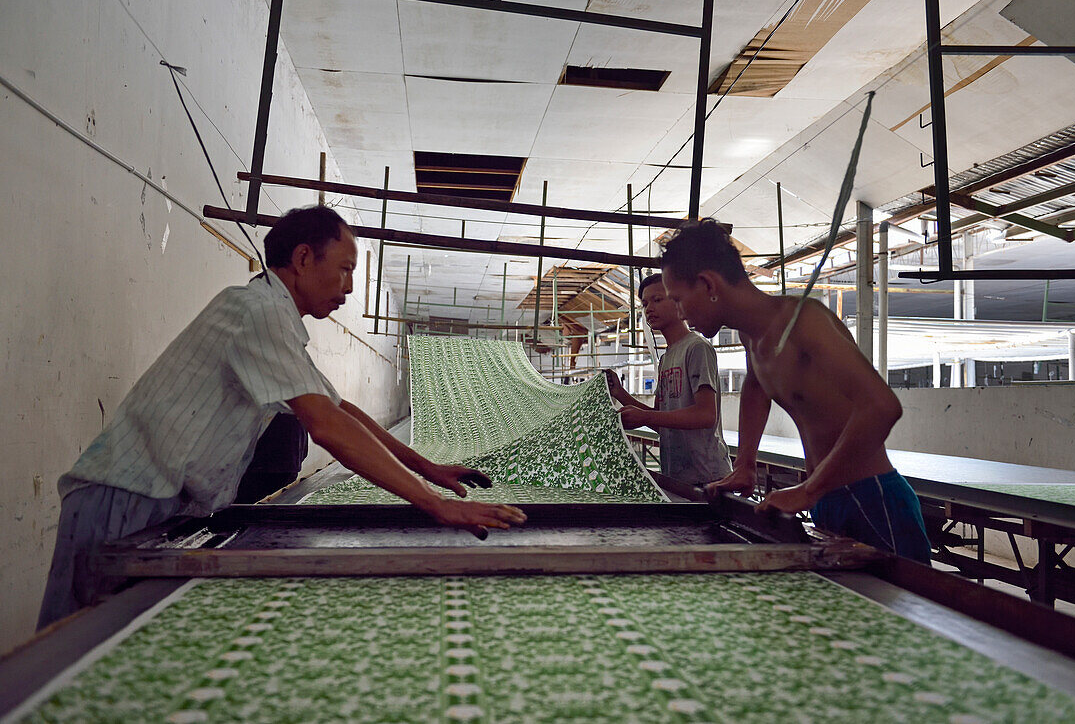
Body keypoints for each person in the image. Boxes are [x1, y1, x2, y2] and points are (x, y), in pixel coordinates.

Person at [38, 206, 526, 629]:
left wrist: (429, 469)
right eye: (344, 270)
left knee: (114, 649)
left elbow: (341, 411)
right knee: (71, 653)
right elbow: (327, 427)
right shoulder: (260, 311)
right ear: (303, 259)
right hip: (124, 496)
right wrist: (435, 504)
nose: (348, 288)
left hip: (155, 501)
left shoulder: (273, 320)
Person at [659, 219, 931, 563]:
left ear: (708, 283)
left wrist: (807, 490)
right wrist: (745, 463)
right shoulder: (751, 335)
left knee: (907, 611)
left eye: (678, 300)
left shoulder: (803, 322)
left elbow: (882, 407)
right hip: (826, 499)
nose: (679, 312)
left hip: (872, 498)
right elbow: (756, 385)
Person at [606, 273, 733, 488]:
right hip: (679, 477)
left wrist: (644, 416)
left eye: (657, 300)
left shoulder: (697, 348)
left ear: (678, 302)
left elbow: (706, 415)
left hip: (708, 477)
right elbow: (661, 422)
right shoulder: (666, 358)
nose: (649, 309)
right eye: (645, 304)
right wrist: (620, 394)